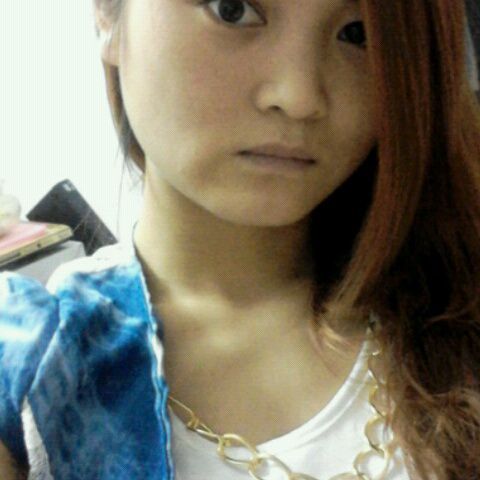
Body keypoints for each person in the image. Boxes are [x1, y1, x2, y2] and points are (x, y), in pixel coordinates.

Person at [1, 0, 480, 478]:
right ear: (109, 14)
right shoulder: (34, 374)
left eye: (358, 34)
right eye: (231, 10)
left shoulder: (458, 302)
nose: (299, 97)